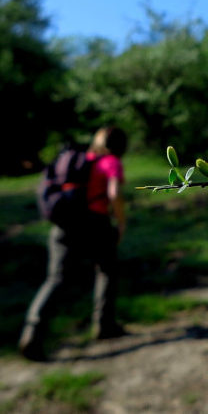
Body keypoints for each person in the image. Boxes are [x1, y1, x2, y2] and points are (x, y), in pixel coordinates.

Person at [19, 126, 129, 360]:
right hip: (96, 225)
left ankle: (32, 333)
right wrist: (120, 222)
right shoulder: (110, 162)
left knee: (56, 279)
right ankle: (104, 324)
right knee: (107, 270)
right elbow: (113, 193)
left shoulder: (79, 158)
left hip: (65, 225)